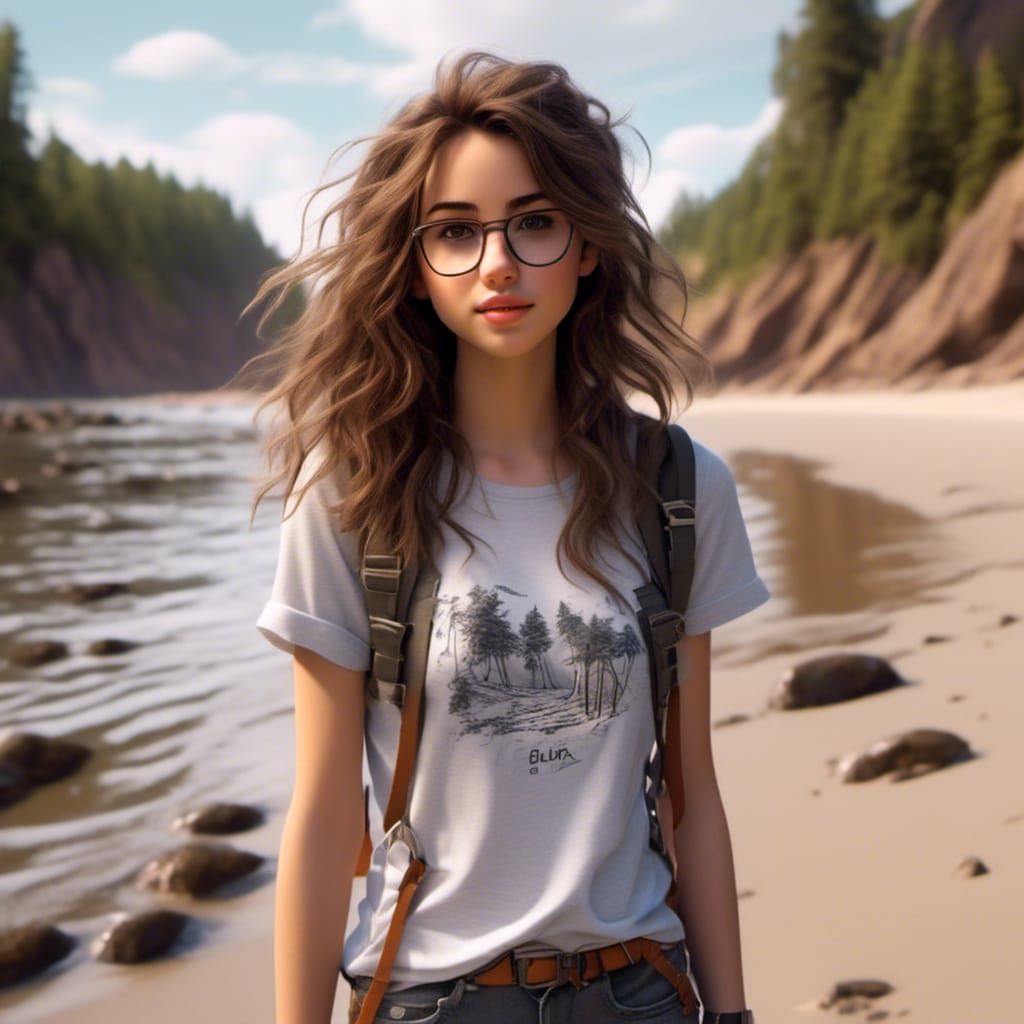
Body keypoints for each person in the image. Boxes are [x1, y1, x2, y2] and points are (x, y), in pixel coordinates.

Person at [246, 50, 770, 1024]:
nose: (498, 263)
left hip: (639, 991)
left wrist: (732, 1014)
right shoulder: (351, 494)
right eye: (455, 232)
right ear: (413, 267)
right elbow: (324, 813)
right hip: (433, 997)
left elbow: (690, 791)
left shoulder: (680, 488)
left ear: (587, 245)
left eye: (532, 222)